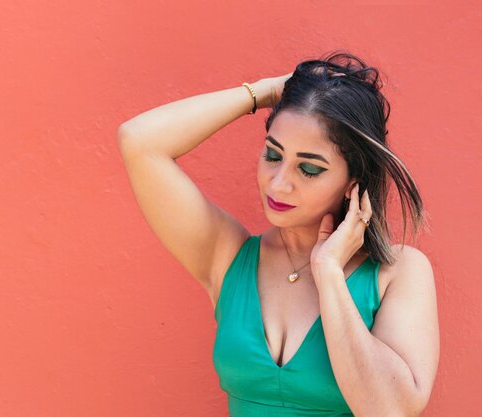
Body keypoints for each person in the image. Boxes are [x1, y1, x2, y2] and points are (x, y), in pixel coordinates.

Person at [117, 50, 439, 417]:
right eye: (273, 155)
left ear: (352, 181)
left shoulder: (398, 272)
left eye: (309, 169)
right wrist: (268, 91)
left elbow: (389, 410)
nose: (279, 184)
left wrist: (330, 273)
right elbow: (139, 141)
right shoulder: (227, 257)